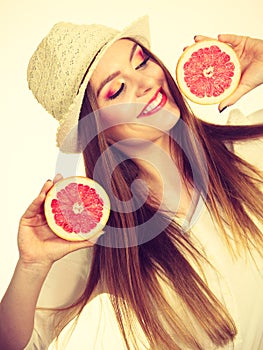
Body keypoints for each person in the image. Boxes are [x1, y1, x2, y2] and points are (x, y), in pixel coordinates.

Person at [0, 16, 263, 350]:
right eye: (117, 89)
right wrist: (31, 266)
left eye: (142, 61)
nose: (145, 82)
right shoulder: (97, 237)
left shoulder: (251, 152)